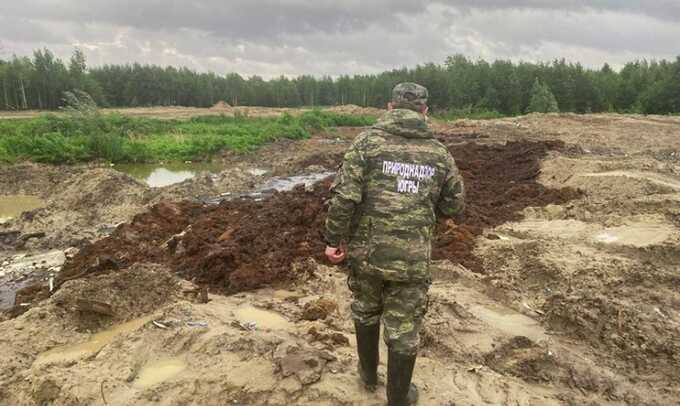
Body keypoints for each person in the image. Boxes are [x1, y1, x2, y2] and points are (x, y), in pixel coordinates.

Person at [324, 82, 465, 405]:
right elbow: (455, 205)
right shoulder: (439, 153)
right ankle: (398, 397)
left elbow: (344, 197)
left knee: (366, 309)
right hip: (412, 258)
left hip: (367, 252)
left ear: (390, 108)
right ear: (424, 111)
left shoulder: (366, 144)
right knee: (404, 327)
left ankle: (368, 375)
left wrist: (333, 240)